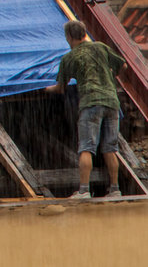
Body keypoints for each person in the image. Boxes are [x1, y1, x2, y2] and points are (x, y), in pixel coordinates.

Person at [45, 19, 126, 199]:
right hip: (112, 103)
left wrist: (44, 88)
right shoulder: (101, 47)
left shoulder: (70, 57)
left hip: (90, 103)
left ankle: (83, 190)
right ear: (84, 33)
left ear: (68, 37)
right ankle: (115, 189)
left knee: (86, 148)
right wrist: (109, 78)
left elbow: (60, 88)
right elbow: (123, 65)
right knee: (110, 148)